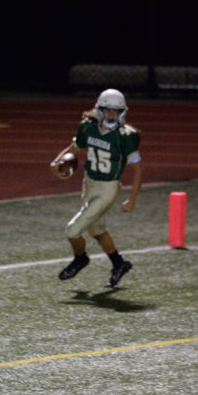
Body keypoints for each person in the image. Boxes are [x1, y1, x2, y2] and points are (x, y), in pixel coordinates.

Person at [50, 88, 143, 287]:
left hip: (108, 188)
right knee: (97, 230)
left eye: (115, 111)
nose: (111, 114)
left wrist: (132, 199)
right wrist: (57, 161)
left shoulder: (126, 135)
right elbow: (73, 148)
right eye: (107, 110)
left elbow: (138, 169)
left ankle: (80, 258)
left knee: (72, 231)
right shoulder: (88, 127)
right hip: (89, 184)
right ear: (99, 109)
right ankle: (119, 264)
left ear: (122, 112)